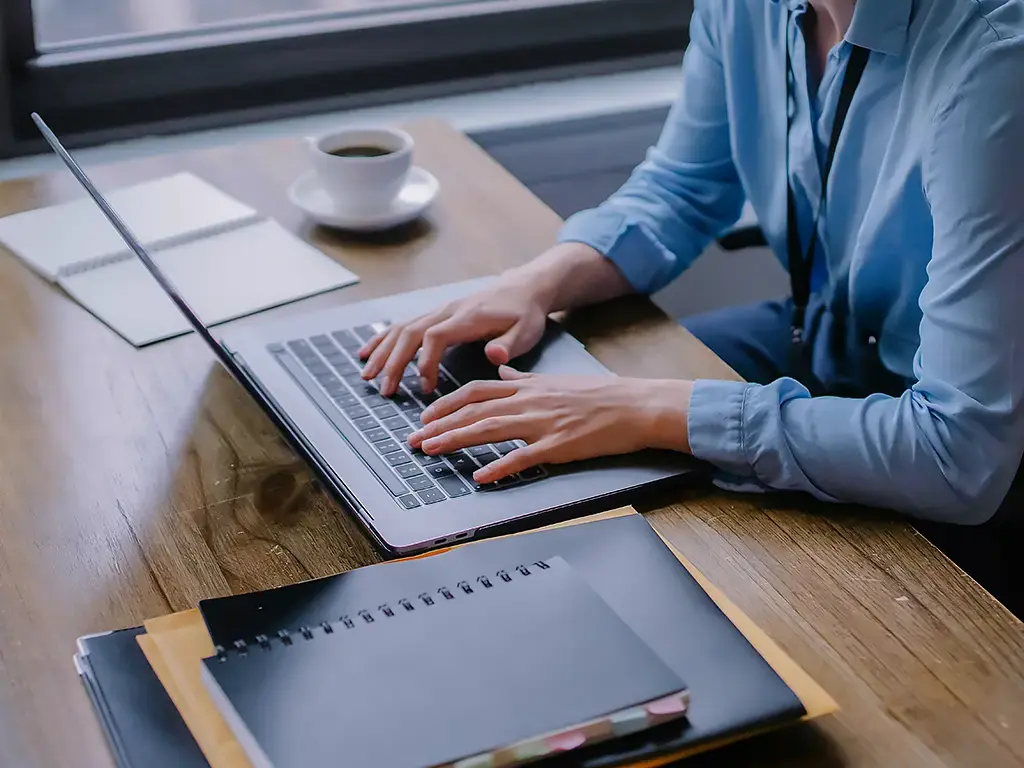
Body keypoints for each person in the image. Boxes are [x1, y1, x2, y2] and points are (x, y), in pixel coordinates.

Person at [359, 0, 1024, 605]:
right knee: (522, 462)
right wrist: (538, 283)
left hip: (976, 447)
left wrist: (651, 409)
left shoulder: (997, 61)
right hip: (828, 338)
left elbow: (958, 455)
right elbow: (684, 188)